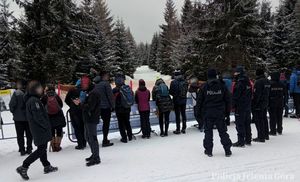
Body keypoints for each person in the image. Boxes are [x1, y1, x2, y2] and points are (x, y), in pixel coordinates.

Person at [17, 81, 58, 181]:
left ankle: (46, 166)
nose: (42, 90)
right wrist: (46, 127)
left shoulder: (34, 99)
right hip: (39, 129)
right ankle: (24, 166)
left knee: (42, 148)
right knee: (41, 150)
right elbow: (38, 117)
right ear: (34, 90)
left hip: (38, 129)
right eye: (39, 88)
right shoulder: (34, 101)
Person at [196, 69, 232, 157]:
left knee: (208, 132)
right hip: (219, 112)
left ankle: (208, 150)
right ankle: (227, 150)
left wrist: (198, 113)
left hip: (208, 113)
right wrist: (227, 113)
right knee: (223, 131)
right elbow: (228, 100)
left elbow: (199, 101)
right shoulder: (222, 85)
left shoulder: (204, 87)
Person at [9, 80, 33, 156]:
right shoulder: (30, 93)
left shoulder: (16, 93)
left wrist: (15, 112)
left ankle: (22, 149)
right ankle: (29, 149)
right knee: (29, 134)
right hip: (28, 118)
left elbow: (11, 105)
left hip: (18, 118)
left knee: (20, 135)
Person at [82, 78, 101, 167]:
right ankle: (94, 153)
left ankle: (96, 157)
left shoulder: (93, 93)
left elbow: (90, 107)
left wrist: (80, 104)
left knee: (92, 138)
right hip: (88, 118)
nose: (83, 86)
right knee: (87, 136)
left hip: (91, 118)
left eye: (84, 84)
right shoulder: (89, 92)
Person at [232, 66, 252, 147]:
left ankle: (241, 141)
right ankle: (248, 139)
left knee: (240, 124)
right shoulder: (248, 82)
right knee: (247, 123)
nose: (234, 74)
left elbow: (236, 96)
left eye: (236, 72)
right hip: (247, 105)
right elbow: (250, 93)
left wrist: (233, 105)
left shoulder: (239, 83)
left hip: (240, 106)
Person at [41, 85, 66, 152]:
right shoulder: (56, 96)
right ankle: (57, 146)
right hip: (58, 116)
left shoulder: (44, 97)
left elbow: (41, 107)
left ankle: (53, 147)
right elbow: (61, 105)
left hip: (48, 117)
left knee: (51, 132)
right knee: (58, 131)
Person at [65, 83, 87, 150]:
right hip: (83, 110)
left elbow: (66, 100)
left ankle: (80, 144)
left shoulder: (72, 90)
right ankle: (84, 142)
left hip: (74, 111)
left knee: (77, 128)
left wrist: (72, 105)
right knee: (83, 127)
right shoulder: (85, 90)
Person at [96, 72, 114, 147]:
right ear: (104, 76)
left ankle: (95, 140)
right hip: (106, 107)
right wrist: (113, 106)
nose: (108, 77)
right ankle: (105, 140)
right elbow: (110, 96)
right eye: (107, 76)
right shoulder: (106, 84)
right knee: (106, 124)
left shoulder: (96, 84)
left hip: (98, 107)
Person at [113, 76, 134, 143]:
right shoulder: (127, 88)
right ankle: (130, 136)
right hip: (127, 108)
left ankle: (124, 138)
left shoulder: (115, 90)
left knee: (121, 124)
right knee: (127, 122)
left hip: (119, 110)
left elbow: (113, 99)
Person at [252, 68, 271, 143]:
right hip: (265, 101)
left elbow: (257, 94)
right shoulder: (267, 81)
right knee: (264, 118)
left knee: (259, 120)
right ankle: (266, 135)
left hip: (259, 103)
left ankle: (261, 136)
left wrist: (254, 103)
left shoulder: (258, 82)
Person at [170, 70, 188, 134]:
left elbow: (171, 92)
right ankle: (184, 128)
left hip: (176, 101)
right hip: (184, 100)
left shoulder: (173, 82)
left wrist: (175, 95)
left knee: (177, 115)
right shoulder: (185, 81)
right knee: (183, 114)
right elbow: (186, 90)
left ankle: (178, 129)